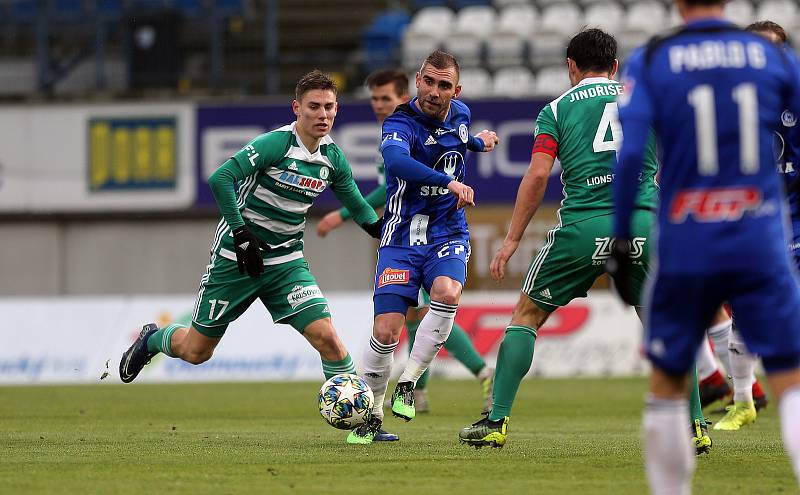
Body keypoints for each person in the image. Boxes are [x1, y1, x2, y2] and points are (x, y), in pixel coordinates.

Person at [457, 29, 710, 455]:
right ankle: (697, 425)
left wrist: (512, 239)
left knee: (527, 314)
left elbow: (538, 175)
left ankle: (496, 421)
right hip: (644, 223)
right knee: (665, 324)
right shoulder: (645, 95)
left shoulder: (555, 110)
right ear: (615, 66)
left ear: (571, 67)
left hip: (584, 225)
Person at [612, 1, 800, 492]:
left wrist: (617, 232)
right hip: (759, 235)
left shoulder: (653, 58)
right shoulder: (773, 58)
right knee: (790, 376)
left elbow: (632, 153)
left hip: (685, 239)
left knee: (667, 382)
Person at [120, 71, 382, 392]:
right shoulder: (275, 144)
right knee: (196, 351)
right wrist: (241, 232)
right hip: (237, 257)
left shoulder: (332, 158)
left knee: (327, 337)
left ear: (337, 109)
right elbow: (221, 179)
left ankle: (360, 416)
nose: (322, 114)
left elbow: (357, 205)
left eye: (329, 107)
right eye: (314, 106)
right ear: (296, 108)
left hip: (286, 262)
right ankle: (154, 338)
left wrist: (381, 230)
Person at [317, 68, 495, 415]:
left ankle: (414, 383)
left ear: (454, 90)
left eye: (385, 98)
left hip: (445, 231)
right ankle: (376, 409)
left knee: (441, 297)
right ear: (418, 82)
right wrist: (449, 181)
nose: (378, 105)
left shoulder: (459, 113)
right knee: (393, 327)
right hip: (401, 235)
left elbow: (456, 137)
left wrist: (477, 143)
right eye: (374, 99)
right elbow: (397, 167)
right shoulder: (397, 129)